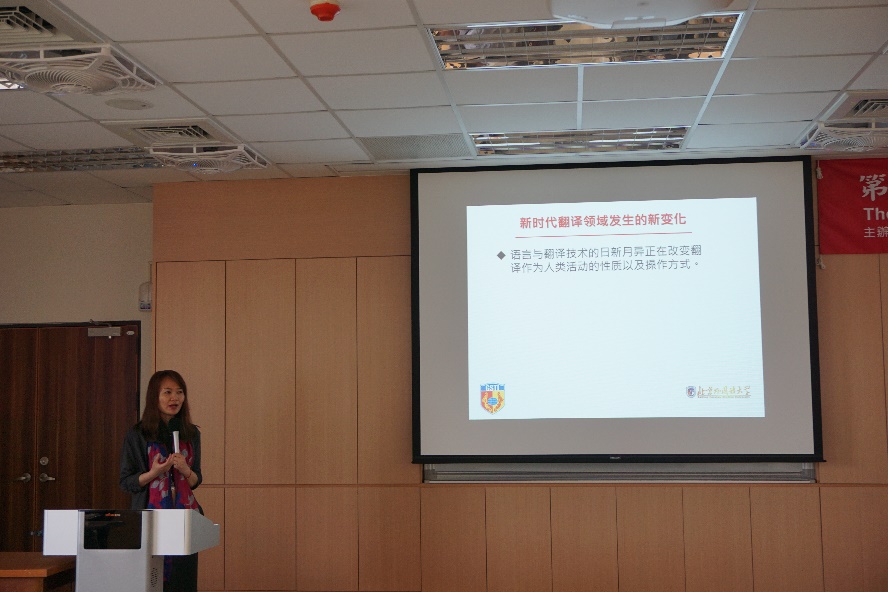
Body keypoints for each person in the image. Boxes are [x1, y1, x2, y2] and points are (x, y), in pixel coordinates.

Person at [119, 369, 202, 592]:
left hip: (185, 520)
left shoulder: (191, 433)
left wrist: (185, 469)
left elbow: (196, 480)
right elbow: (126, 482)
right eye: (167, 392)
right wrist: (154, 472)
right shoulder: (138, 435)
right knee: (153, 582)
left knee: (183, 582)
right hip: (151, 519)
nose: (175, 398)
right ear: (154, 397)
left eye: (179, 392)